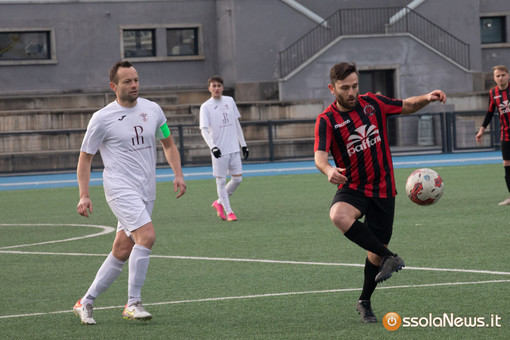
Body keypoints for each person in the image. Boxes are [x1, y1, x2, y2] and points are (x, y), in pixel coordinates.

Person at [314, 62, 446, 323]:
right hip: (353, 187)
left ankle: (364, 301)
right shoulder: (327, 120)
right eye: (345, 88)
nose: (351, 92)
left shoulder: (372, 103)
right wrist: (328, 170)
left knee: (375, 252)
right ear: (332, 89)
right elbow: (319, 155)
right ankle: (391, 257)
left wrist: (427, 98)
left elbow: (406, 105)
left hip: (384, 188)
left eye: (354, 86)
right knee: (338, 215)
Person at [73, 61, 187, 325]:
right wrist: (84, 194)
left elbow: (168, 143)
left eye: (136, 80)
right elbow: (85, 158)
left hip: (146, 189)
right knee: (146, 236)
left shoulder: (154, 110)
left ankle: (85, 302)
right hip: (119, 188)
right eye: (127, 81)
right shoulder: (101, 118)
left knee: (123, 249)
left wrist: (178, 174)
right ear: (113, 86)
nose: (134, 85)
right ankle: (133, 303)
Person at [199, 75, 249, 222]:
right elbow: (203, 130)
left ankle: (218, 202)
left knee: (237, 179)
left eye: (219, 85)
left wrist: (243, 144)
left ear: (222, 87)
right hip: (219, 151)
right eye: (213, 86)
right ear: (209, 88)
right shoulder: (206, 107)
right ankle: (229, 212)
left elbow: (236, 123)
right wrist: (213, 147)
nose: (216, 88)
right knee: (221, 181)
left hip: (233, 148)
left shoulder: (229, 101)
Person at [475, 65, 510, 206]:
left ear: (508, 75)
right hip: (506, 135)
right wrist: (482, 129)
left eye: (503, 75)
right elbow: (489, 113)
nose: (500, 78)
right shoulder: (493, 93)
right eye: (497, 76)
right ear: (494, 78)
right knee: (507, 164)